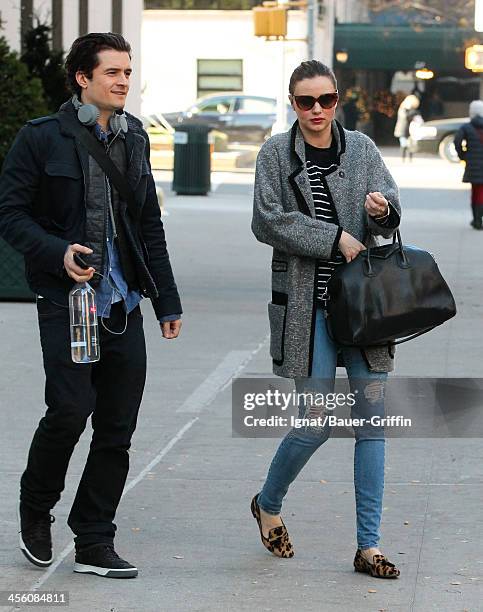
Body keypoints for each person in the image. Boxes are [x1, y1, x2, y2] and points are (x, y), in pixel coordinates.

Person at [0, 33, 182, 579]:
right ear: (83, 78)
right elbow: (9, 214)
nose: (124, 80)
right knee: (70, 410)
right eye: (112, 72)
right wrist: (58, 253)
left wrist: (166, 298)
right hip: (67, 302)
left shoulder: (136, 140)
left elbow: (147, 223)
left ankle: (94, 539)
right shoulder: (41, 138)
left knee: (117, 428)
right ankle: (37, 508)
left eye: (127, 71)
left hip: (122, 303)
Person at [251, 60, 401, 579]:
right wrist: (333, 237)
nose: (316, 111)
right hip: (306, 309)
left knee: (372, 428)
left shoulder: (361, 149)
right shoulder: (275, 153)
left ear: (339, 100)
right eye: (304, 101)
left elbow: (392, 210)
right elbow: (266, 220)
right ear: (291, 103)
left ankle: (369, 547)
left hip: (363, 310)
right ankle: (268, 503)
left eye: (326, 100)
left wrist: (383, 212)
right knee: (315, 423)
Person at [454, 100, 483, 230]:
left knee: (475, 192)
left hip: (473, 165)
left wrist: (463, 155)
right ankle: (478, 220)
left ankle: (477, 220)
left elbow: (457, 141)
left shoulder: (466, 127)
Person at [394, 93, 420, 162]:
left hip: (410, 130)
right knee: (404, 144)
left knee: (410, 144)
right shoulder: (403, 109)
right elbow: (405, 118)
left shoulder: (412, 110)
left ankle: (410, 159)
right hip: (402, 130)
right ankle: (403, 158)